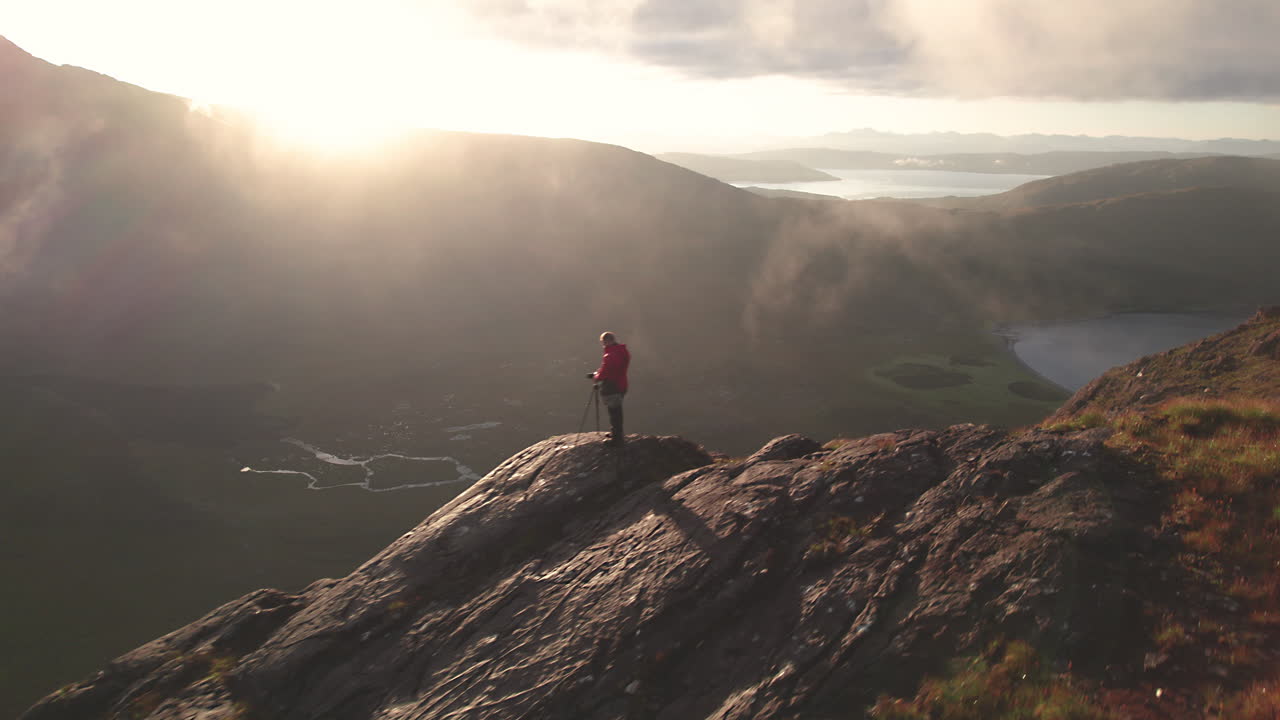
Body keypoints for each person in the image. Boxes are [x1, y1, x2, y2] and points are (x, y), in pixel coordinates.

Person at [587, 331, 630, 445]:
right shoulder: (622, 351)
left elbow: (606, 371)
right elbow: (608, 368)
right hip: (621, 384)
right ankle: (616, 433)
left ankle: (617, 439)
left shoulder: (610, 355)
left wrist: (596, 377)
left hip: (612, 387)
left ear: (608, 341)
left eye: (604, 342)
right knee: (617, 411)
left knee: (614, 412)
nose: (603, 345)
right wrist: (598, 373)